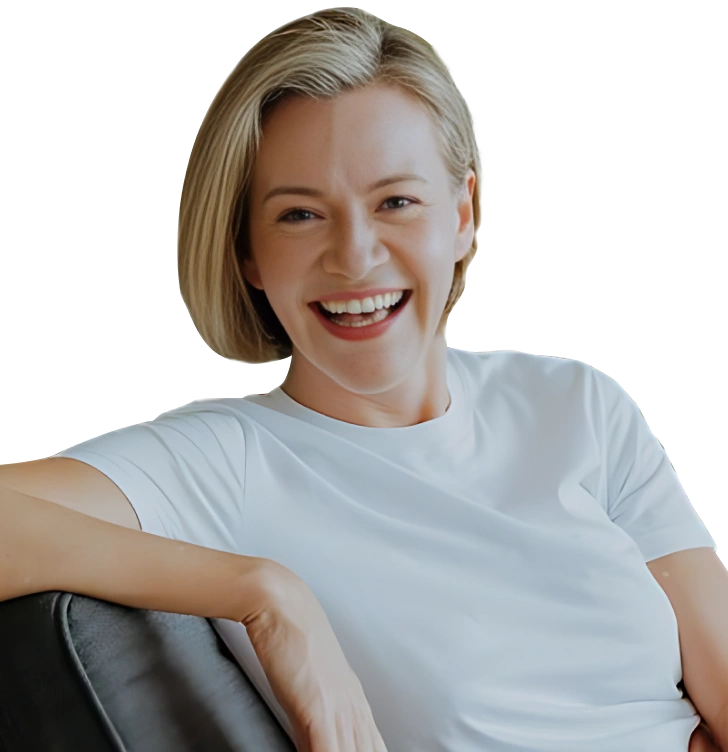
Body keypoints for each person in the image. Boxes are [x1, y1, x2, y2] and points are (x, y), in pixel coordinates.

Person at [2, 9, 722, 752]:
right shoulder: (227, 463)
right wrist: (265, 593)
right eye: (299, 215)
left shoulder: (577, 405)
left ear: (463, 214)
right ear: (248, 253)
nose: (354, 256)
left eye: (395, 202)